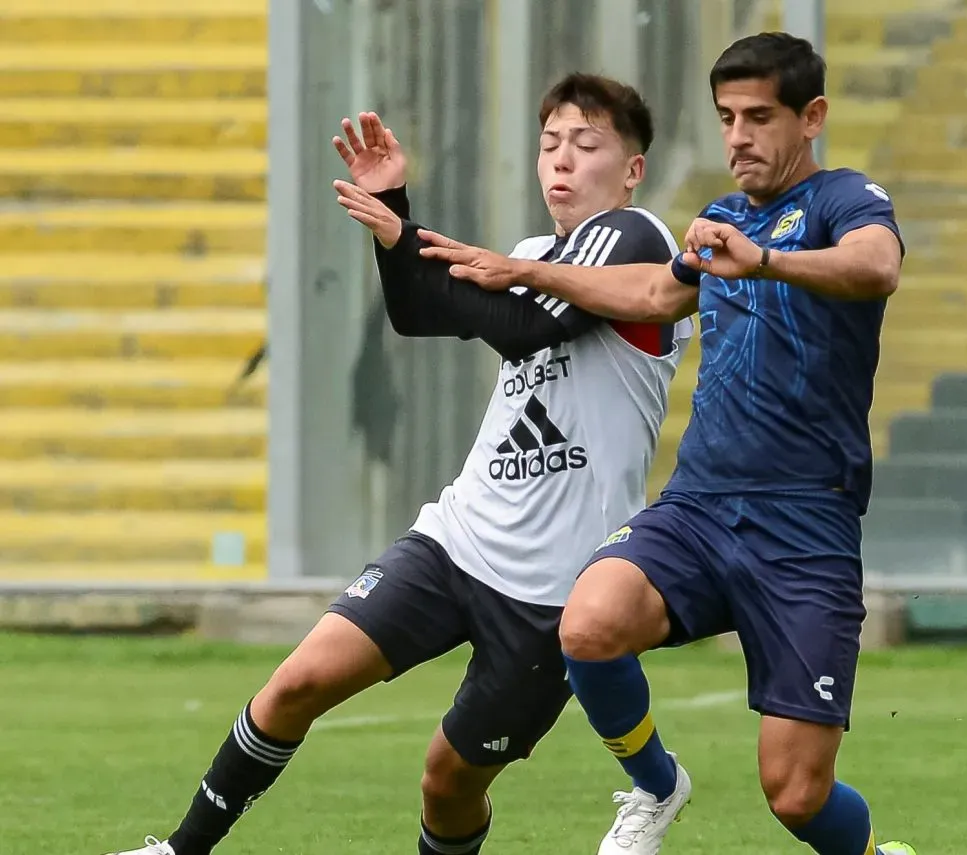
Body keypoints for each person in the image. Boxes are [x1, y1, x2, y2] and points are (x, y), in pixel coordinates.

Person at [105, 72, 694, 855]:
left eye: (586, 145)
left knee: (447, 780)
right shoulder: (528, 254)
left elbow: (521, 328)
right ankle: (178, 850)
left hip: (553, 592)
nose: (561, 160)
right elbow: (423, 312)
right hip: (458, 540)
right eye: (549, 143)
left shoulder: (637, 240)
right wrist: (398, 218)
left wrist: (411, 240)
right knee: (297, 682)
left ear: (631, 170)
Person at [418, 33, 918, 855]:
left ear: (812, 117)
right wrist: (530, 271)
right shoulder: (717, 219)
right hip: (697, 508)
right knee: (589, 621)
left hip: (804, 526)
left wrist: (770, 262)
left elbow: (876, 268)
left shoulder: (842, 201)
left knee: (796, 795)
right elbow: (653, 290)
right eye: (726, 117)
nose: (739, 136)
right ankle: (656, 785)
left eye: (760, 116)